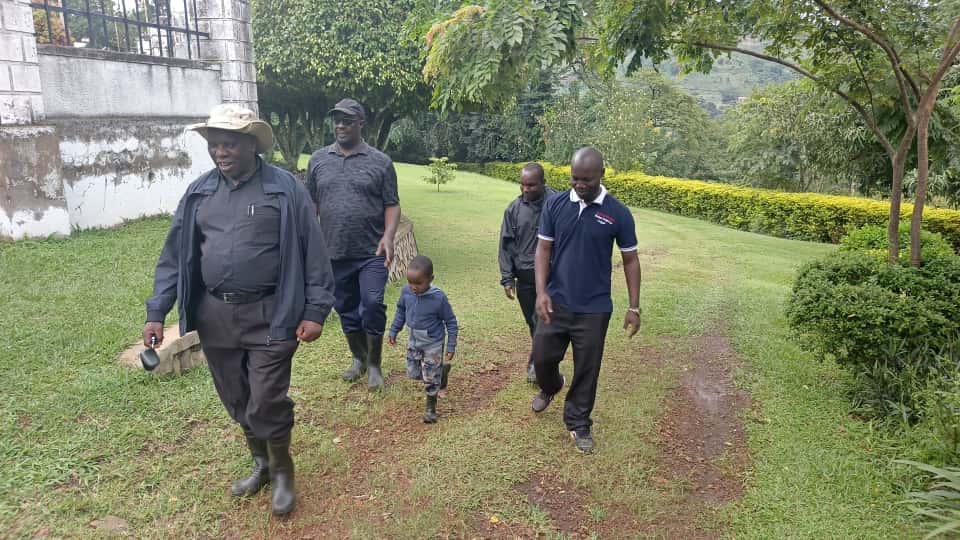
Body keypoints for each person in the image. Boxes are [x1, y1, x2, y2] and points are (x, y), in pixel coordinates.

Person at [143, 104, 336, 516]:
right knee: (237, 398)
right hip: (216, 318)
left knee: (266, 399)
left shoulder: (285, 189)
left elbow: (314, 252)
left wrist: (316, 310)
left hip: (272, 314)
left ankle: (283, 471)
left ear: (252, 144)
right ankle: (262, 463)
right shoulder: (199, 193)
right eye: (215, 145)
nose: (220, 152)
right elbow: (174, 257)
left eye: (229, 143)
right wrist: (157, 311)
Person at [530, 147, 642, 454]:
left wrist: (634, 307)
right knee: (541, 358)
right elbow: (543, 251)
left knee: (587, 369)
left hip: (594, 308)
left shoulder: (618, 213)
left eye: (587, 180)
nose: (580, 185)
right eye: (575, 179)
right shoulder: (554, 205)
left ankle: (578, 422)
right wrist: (541, 292)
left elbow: (630, 261)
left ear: (602, 175)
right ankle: (551, 386)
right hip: (556, 302)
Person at [305, 98, 400, 392]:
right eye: (337, 120)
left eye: (347, 120)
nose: (340, 125)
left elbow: (392, 204)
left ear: (361, 123)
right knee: (345, 307)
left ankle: (374, 364)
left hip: (371, 251)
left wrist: (388, 236)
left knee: (371, 304)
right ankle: (358, 358)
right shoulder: (318, 160)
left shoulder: (380, 162)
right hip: (332, 252)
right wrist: (309, 237)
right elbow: (311, 203)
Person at [498, 163, 557, 383]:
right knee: (534, 323)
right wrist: (507, 277)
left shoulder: (557, 204)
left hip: (554, 278)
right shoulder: (513, 209)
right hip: (525, 279)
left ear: (543, 182)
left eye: (531, 185)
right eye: (522, 185)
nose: (525, 189)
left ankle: (537, 364)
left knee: (545, 322)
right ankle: (540, 361)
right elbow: (506, 245)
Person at [387, 256, 459, 424]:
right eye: (410, 282)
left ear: (430, 279)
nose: (413, 287)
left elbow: (451, 322)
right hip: (414, 341)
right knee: (414, 373)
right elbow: (400, 311)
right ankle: (442, 372)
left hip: (433, 343)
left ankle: (430, 409)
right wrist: (394, 330)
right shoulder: (406, 292)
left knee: (430, 378)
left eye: (418, 283)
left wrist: (451, 345)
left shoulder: (438, 298)